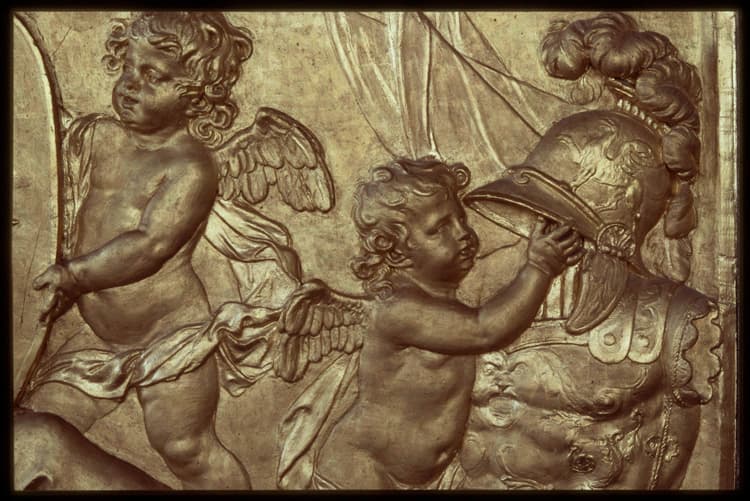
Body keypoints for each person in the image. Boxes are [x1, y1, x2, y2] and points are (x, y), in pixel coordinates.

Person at [457, 12, 722, 490]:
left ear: (612, 230)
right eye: (536, 210)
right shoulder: (485, 294)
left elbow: (670, 463)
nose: (538, 228)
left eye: (559, 216)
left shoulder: (677, 322)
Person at [28, 12, 254, 489]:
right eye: (128, 68)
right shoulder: (98, 136)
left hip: (168, 338)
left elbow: (150, 245)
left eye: (153, 76)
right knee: (38, 426)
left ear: (196, 94)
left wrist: (74, 275)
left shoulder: (191, 168)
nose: (131, 84)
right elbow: (45, 160)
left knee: (187, 449)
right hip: (94, 337)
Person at [281, 157, 584, 489]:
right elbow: (485, 331)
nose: (463, 233)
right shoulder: (398, 309)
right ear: (395, 250)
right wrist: (540, 267)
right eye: (440, 229)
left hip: (425, 478)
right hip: (361, 472)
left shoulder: (442, 300)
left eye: (460, 219)